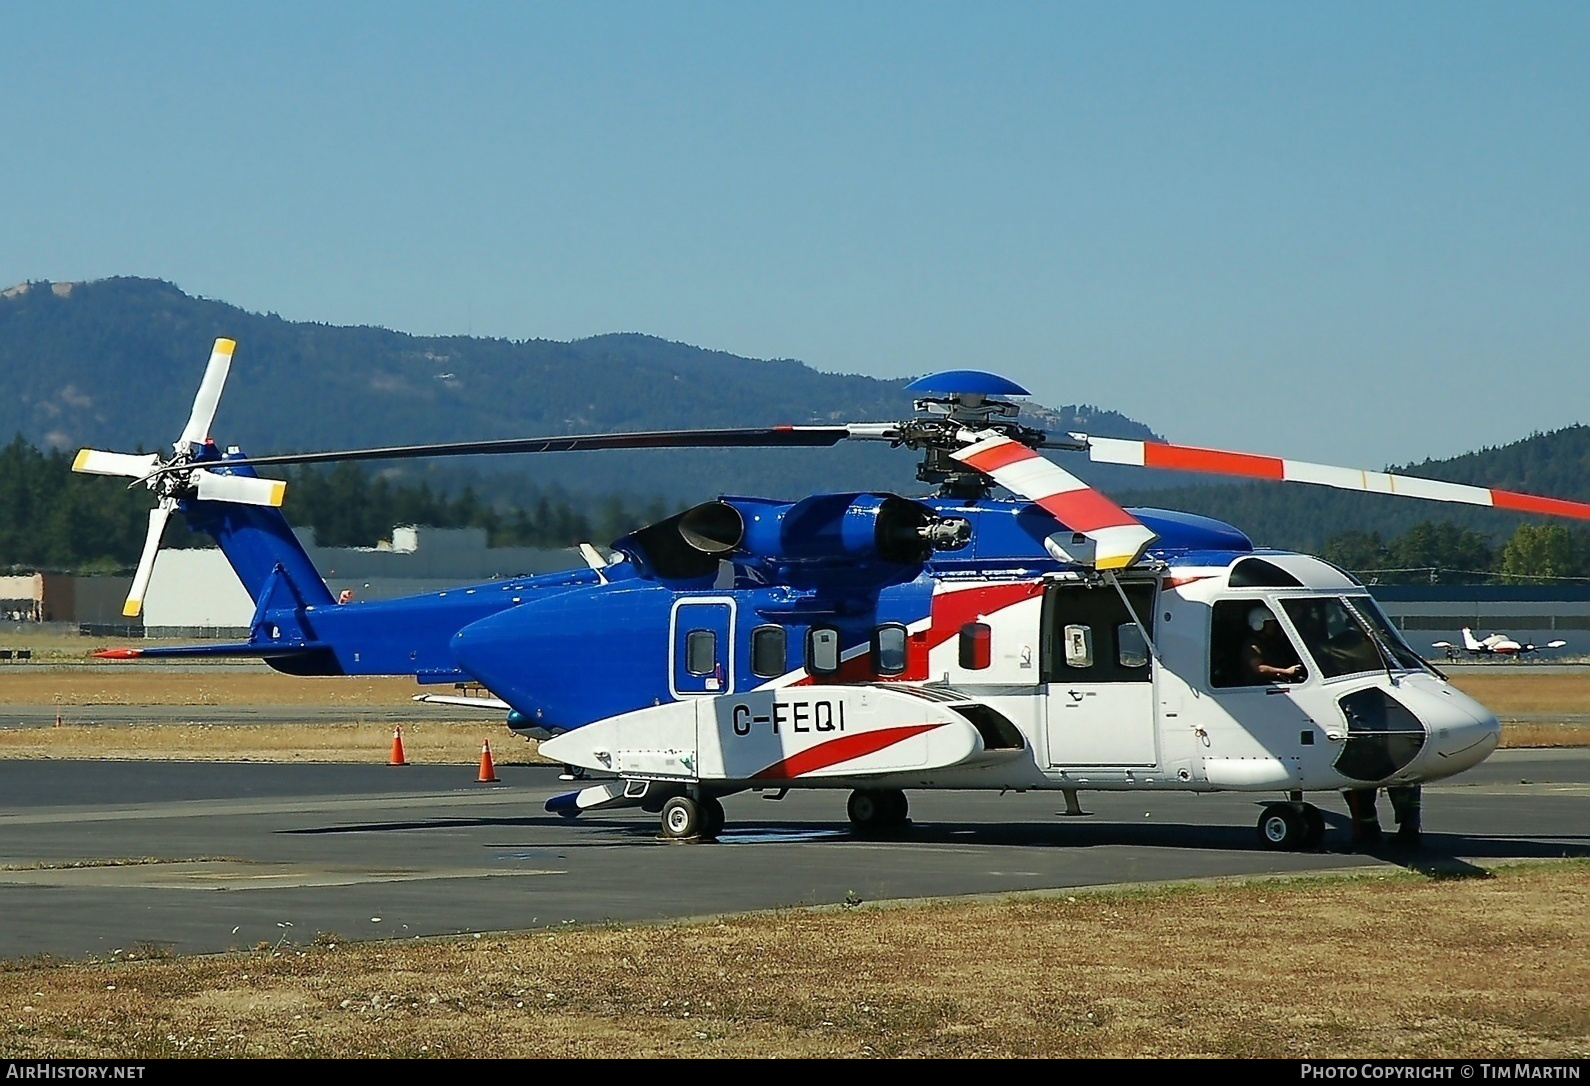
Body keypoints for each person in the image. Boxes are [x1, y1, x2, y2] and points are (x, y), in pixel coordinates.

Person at [1242, 607, 1304, 683]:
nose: (1274, 625)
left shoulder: (1270, 642)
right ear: (1258, 624)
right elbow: (1259, 668)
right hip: (1261, 686)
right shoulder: (1252, 644)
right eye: (1270, 622)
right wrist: (1286, 671)